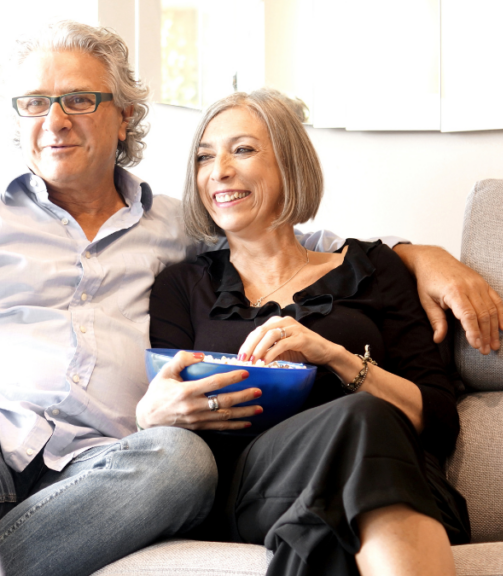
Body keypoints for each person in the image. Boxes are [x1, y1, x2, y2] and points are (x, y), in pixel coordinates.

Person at [0, 21, 501, 576]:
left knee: (182, 462)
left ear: (125, 119)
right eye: (34, 103)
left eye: (78, 99)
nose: (53, 119)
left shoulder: (182, 227)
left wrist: (422, 255)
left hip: (105, 459)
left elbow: (291, 238)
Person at [146, 88, 471, 576]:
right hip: (256, 485)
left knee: (355, 438)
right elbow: (170, 401)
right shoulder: (181, 284)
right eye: (204, 156)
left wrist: (335, 356)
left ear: (290, 164)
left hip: (393, 471)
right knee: (359, 417)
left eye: (243, 149)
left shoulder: (376, 269)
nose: (219, 171)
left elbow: (440, 420)